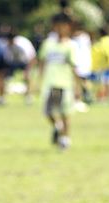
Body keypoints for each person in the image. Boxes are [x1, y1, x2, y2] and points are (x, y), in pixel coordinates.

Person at [38, 13, 78, 150]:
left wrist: (78, 86)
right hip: (50, 83)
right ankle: (58, 127)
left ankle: (65, 139)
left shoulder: (71, 46)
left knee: (65, 112)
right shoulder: (48, 44)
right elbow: (42, 63)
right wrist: (39, 80)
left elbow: (74, 67)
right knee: (48, 112)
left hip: (65, 83)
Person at [91, 27, 109, 104]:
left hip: (106, 65)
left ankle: (105, 98)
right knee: (108, 82)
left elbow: (107, 53)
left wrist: (105, 65)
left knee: (105, 82)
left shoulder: (105, 41)